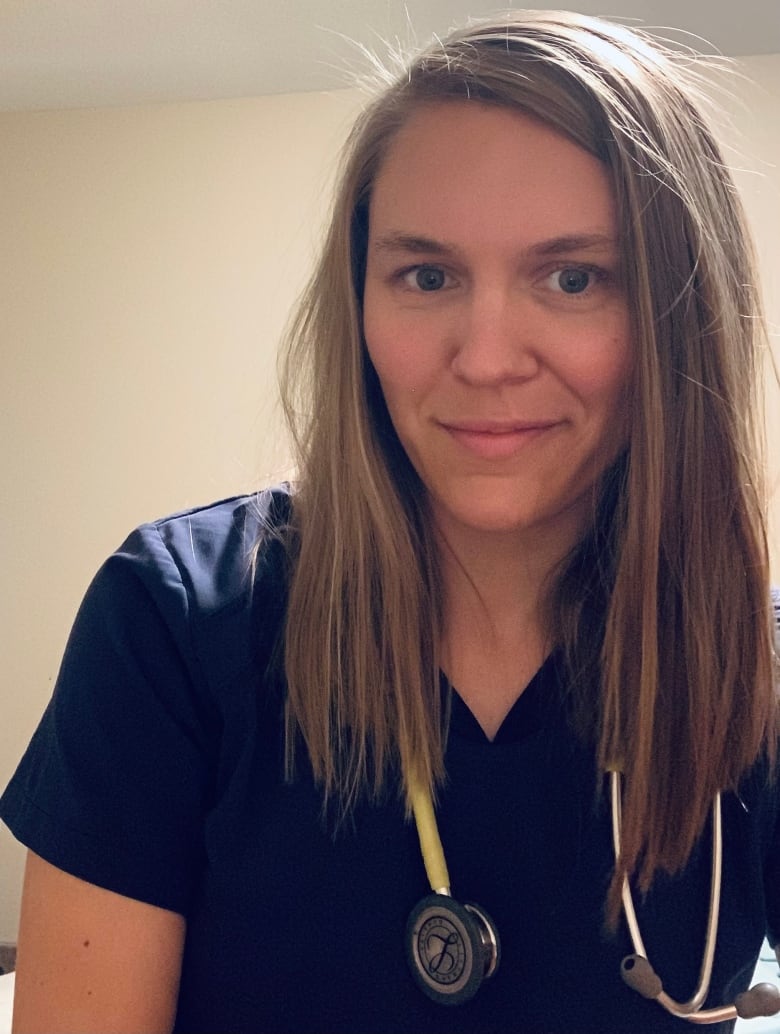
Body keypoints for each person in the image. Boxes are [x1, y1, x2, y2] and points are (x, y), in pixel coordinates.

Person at [1, 9, 778, 1033]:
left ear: (677, 312)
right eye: (428, 275)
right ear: (360, 304)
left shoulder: (750, 663)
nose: (488, 356)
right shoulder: (179, 623)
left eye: (573, 276)